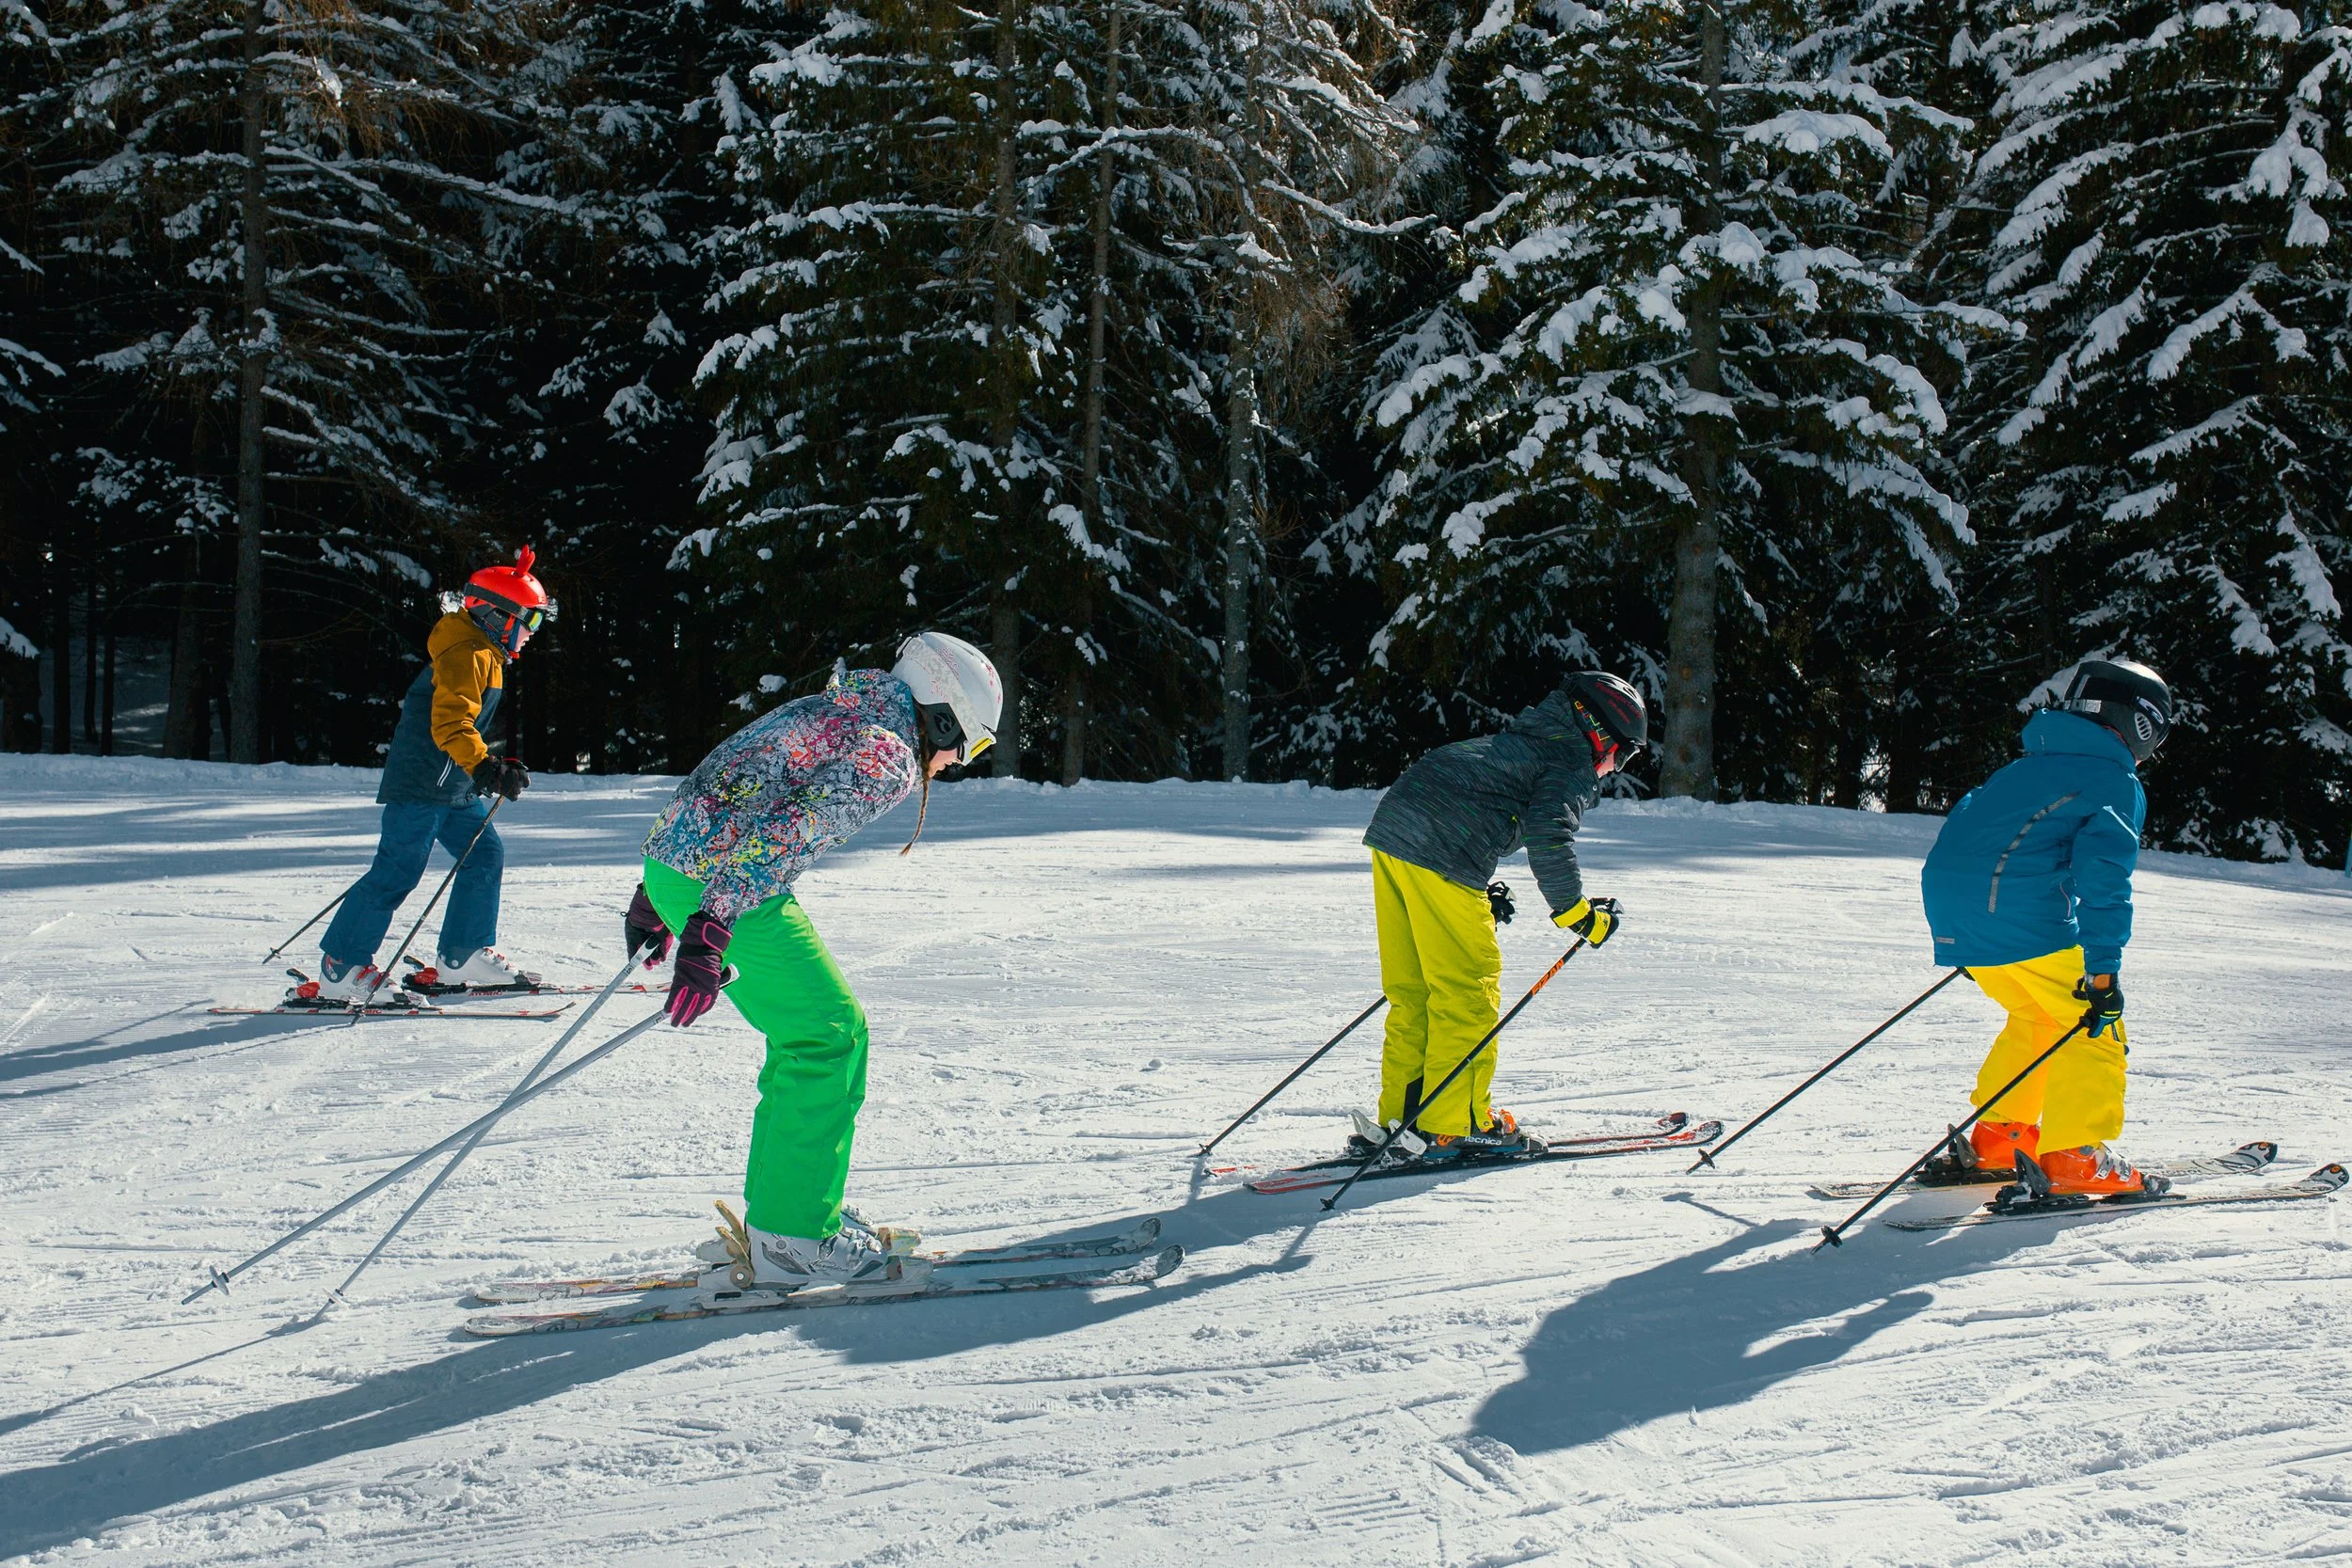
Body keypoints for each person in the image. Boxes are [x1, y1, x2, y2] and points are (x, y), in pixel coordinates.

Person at [626, 631, 1001, 1289]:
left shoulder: (842, 707)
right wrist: (709, 925)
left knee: (808, 1032)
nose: (955, 761)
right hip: (726, 884)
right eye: (966, 743)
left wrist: (660, 885)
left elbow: (727, 775)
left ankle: (787, 1213)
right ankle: (793, 1235)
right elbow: (782, 832)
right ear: (942, 715)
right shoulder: (888, 754)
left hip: (686, 865)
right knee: (830, 1033)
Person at [1354, 670, 1646, 1159]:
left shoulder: (1528, 742)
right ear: (1599, 731)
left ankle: (1399, 1119)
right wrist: (1579, 915)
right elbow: (1551, 835)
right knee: (1468, 993)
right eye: (1625, 751)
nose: (1618, 766)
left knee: (1416, 993)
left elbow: (1478, 800)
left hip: (1394, 836)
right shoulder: (1568, 758)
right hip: (1439, 852)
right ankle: (1453, 1125)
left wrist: (1475, 890)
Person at [1920, 657, 2173, 1197]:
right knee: (2093, 1026)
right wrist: (2103, 973)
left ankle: (2000, 1135)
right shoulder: (2111, 778)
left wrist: (1967, 934)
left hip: (1958, 919)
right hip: (2021, 922)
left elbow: (1967, 828)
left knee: (2037, 1017)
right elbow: (2104, 881)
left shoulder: (2023, 767)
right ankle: (2075, 1154)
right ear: (2142, 722)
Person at [307, 548, 549, 1004]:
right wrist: (484, 766)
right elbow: (450, 724)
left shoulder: (485, 652)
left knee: (484, 856)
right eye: (529, 620)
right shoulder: (467, 652)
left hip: (453, 785)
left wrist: (493, 764)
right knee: (397, 870)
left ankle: (463, 953)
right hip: (422, 783)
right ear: (496, 614)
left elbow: (466, 724)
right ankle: (341, 966)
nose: (532, 632)